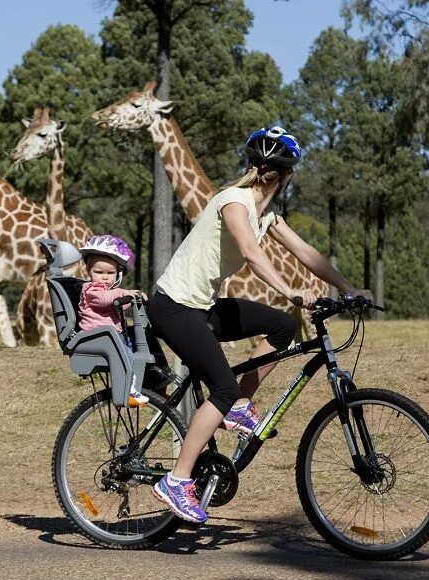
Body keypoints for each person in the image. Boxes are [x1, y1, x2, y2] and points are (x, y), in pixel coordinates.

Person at [147, 127, 373, 523]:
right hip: (174, 308)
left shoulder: (266, 214)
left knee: (282, 328)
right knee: (222, 386)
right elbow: (251, 254)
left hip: (201, 307)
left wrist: (348, 287)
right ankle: (177, 479)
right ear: (287, 176)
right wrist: (290, 290)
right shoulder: (233, 201)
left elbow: (306, 251)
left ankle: (237, 406)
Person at [77, 234, 150, 408]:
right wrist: (123, 293)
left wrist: (132, 299)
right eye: (99, 272)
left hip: (110, 335)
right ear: (88, 271)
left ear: (118, 273)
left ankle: (145, 379)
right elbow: (104, 299)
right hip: (96, 336)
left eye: (110, 273)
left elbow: (114, 305)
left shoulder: (113, 290)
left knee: (131, 348)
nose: (104, 277)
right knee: (124, 356)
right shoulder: (90, 289)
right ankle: (127, 389)